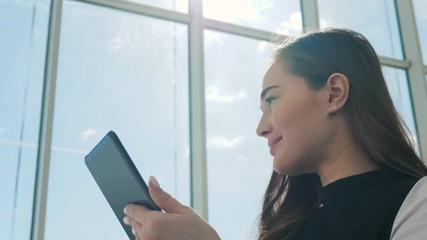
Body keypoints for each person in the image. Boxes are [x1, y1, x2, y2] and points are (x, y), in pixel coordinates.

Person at [122, 28, 427, 240]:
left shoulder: (416, 201)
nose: (260, 128)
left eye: (271, 99)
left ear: (334, 93)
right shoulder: (289, 228)